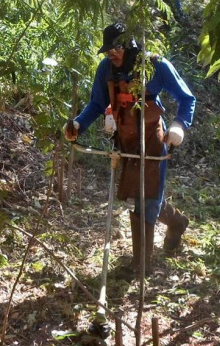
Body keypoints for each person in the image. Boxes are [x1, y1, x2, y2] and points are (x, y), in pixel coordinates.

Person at [65, 22, 195, 274]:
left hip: (154, 140)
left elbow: (186, 98)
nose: (110, 55)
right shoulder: (106, 69)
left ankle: (140, 265)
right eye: (107, 51)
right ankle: (177, 222)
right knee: (139, 194)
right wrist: (78, 124)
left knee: (149, 196)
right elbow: (96, 104)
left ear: (130, 47)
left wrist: (179, 125)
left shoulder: (156, 65)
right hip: (125, 140)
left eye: (115, 49)